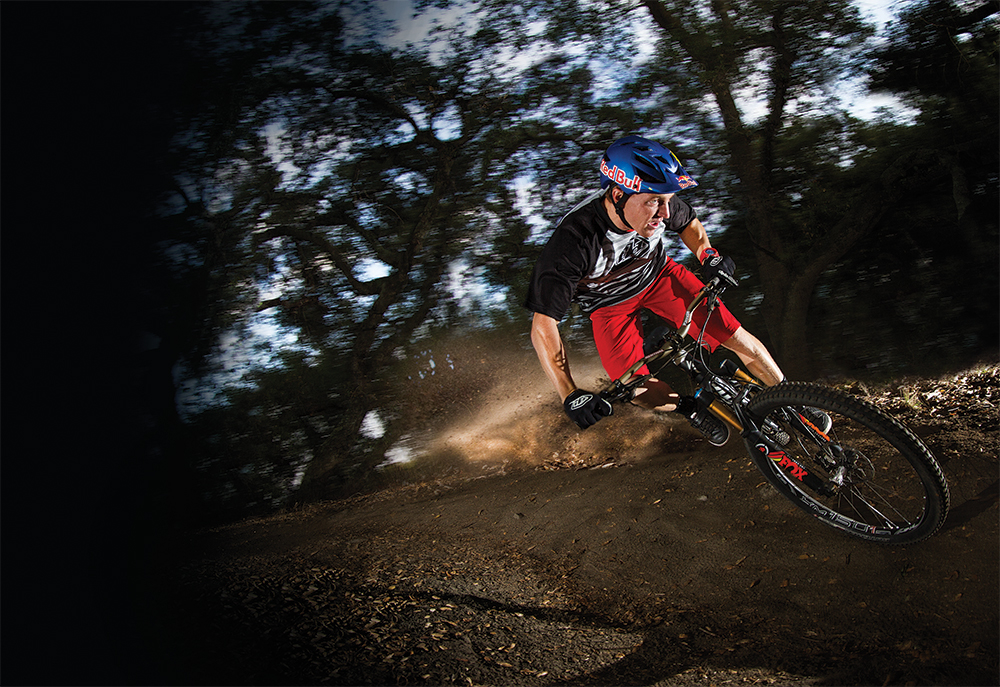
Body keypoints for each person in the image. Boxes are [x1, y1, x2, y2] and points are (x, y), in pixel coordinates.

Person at [525, 134, 821, 445]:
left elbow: (689, 223)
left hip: (660, 277)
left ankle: (795, 403)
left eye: (667, 200)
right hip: (608, 306)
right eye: (653, 201)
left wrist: (708, 255)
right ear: (617, 195)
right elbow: (543, 325)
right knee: (635, 389)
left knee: (735, 336)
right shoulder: (573, 242)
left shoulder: (658, 201)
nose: (664, 213)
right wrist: (569, 393)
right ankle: (689, 406)